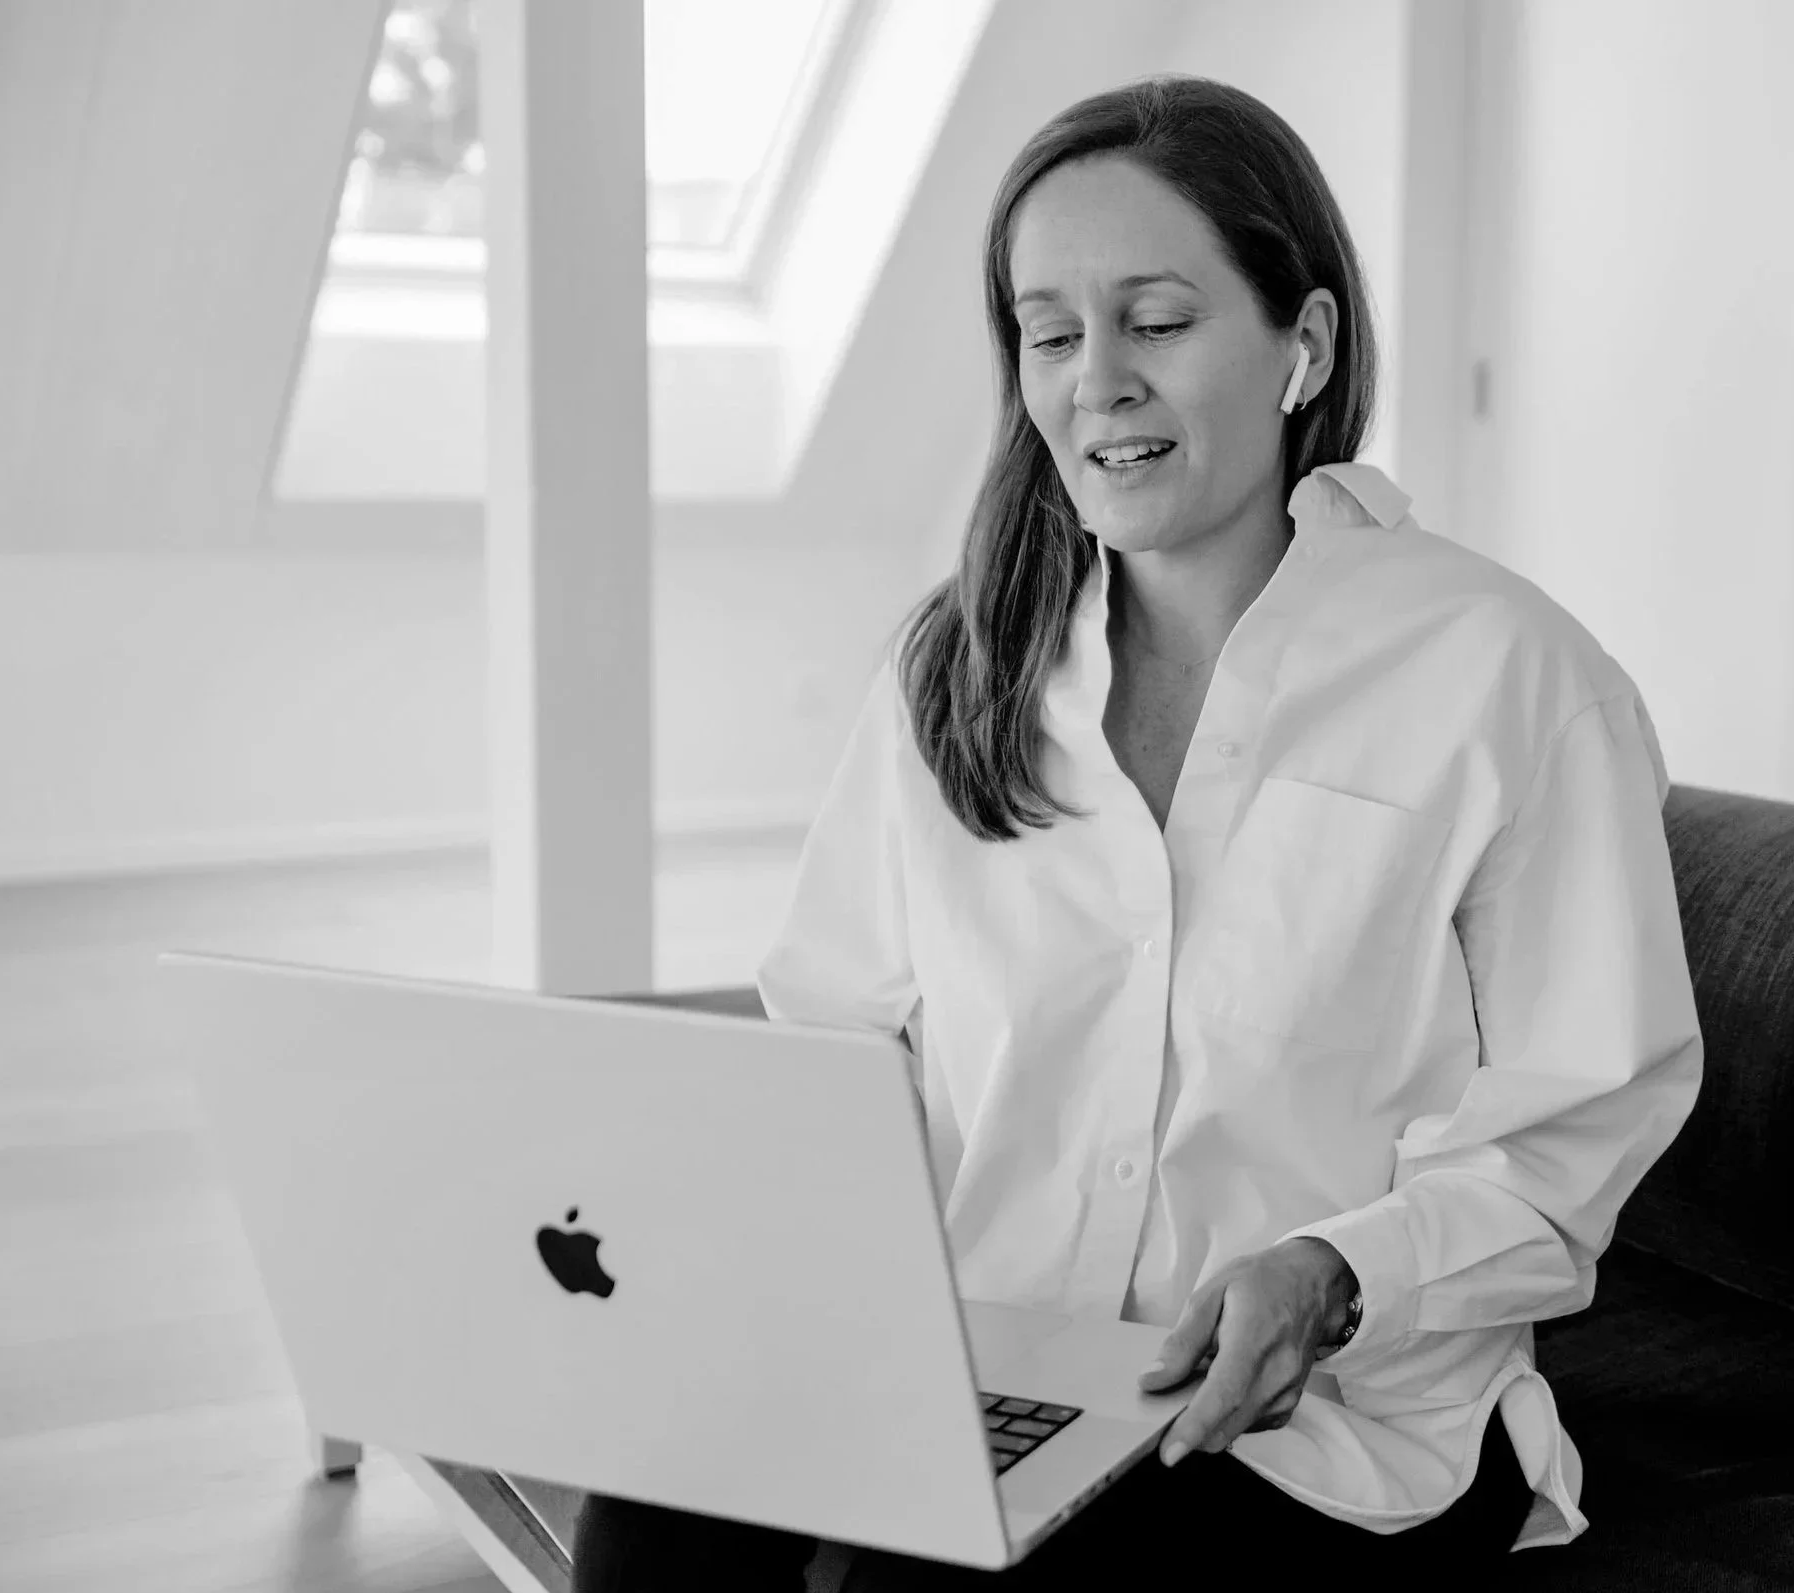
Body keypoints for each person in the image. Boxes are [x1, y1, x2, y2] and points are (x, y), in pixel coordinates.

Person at [574, 73, 1704, 1591]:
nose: (1093, 380)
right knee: (652, 1515)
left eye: (1156, 322)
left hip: (1325, 1432)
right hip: (984, 1372)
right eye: (1050, 333)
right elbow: (839, 1036)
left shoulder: (1511, 680)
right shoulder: (958, 670)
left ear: (1302, 346)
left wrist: (1334, 1274)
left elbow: (1572, 1136)